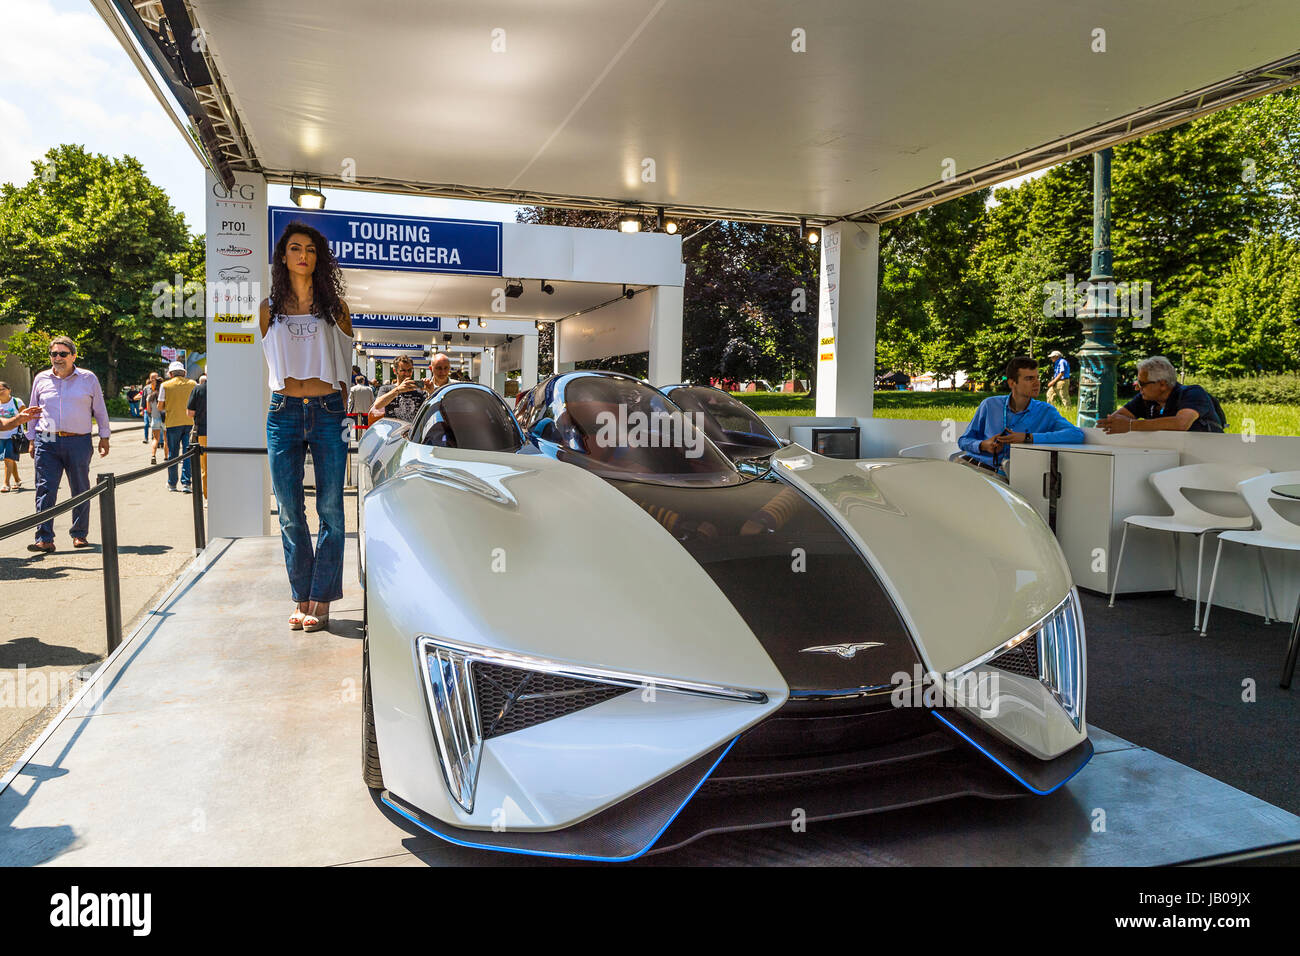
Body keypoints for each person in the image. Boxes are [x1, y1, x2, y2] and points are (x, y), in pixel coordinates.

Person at [261, 221, 354, 633]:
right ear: (283, 257)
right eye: (295, 248)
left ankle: (322, 598)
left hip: (328, 410)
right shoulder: (267, 310)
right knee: (289, 513)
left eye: (311, 249)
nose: (303, 255)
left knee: (331, 509)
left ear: (320, 258)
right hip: (282, 411)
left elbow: (347, 362)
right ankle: (301, 595)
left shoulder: (335, 309)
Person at [25, 336, 111, 552]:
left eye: (63, 354)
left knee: (80, 488)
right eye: (54, 354)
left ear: (73, 356)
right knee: (45, 488)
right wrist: (31, 439)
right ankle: (44, 537)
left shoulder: (88, 378)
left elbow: (99, 409)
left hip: (78, 439)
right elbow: (32, 409)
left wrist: (104, 435)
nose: (58, 358)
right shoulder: (41, 378)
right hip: (47, 438)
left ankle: (79, 534)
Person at [957, 355, 1084, 479]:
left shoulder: (1046, 411)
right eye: (1029, 379)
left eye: (1037, 378)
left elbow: (1076, 435)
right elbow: (963, 441)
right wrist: (984, 445)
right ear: (1012, 383)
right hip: (975, 470)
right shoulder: (990, 405)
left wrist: (1028, 438)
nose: (1037, 383)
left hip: (1015, 479)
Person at [1097, 355, 1225, 434]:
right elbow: (1113, 421)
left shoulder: (1193, 393)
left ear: (1162, 384)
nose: (1138, 388)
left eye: (1142, 384)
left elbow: (1181, 424)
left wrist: (1131, 425)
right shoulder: (1146, 398)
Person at [159, 361, 197, 492]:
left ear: (170, 374)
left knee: (173, 454)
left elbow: (160, 406)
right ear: (184, 373)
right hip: (190, 423)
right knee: (187, 454)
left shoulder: (165, 385)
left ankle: (172, 483)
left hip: (173, 423)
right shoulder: (192, 384)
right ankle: (186, 483)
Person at [370, 354, 426, 424]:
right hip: (393, 432)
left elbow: (428, 410)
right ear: (395, 371)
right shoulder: (386, 388)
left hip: (413, 433)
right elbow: (377, 405)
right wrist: (398, 390)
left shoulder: (419, 390)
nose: (407, 373)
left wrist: (430, 391)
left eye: (410, 370)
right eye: (403, 370)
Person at [0, 382, 32, 492]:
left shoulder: (16, 401)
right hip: (1, 436)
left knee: (8, 458)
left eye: (2, 389)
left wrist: (30, 433)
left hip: (14, 436)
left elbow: (26, 417)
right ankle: (17, 480)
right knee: (9, 459)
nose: (0, 391)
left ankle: (6, 483)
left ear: (9, 390)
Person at [187, 371, 208, 499]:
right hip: (226, 431)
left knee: (206, 467)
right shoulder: (226, 388)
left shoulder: (199, 389)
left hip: (204, 432)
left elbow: (190, 413)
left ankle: (208, 497)